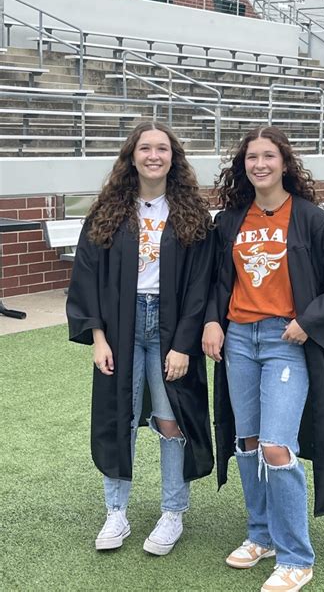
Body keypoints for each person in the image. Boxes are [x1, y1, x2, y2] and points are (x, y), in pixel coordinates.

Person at [202, 126, 324, 592]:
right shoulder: (230, 221)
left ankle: (296, 556)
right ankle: (261, 536)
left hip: (285, 340)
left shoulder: (312, 220)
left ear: (285, 163)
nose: (260, 164)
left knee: (276, 446)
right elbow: (216, 281)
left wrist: (309, 321)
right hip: (238, 339)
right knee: (248, 441)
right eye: (251, 157)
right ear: (243, 166)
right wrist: (213, 322)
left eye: (268, 156)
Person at [66, 121, 214, 554]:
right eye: (145, 148)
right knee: (120, 418)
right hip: (119, 325)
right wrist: (98, 338)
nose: (154, 155)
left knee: (171, 420)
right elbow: (86, 277)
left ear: (174, 157)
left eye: (162, 149)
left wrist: (183, 344)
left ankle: (172, 514)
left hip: (170, 329)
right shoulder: (108, 211)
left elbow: (201, 284)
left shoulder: (191, 213)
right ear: (132, 157)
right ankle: (117, 513)